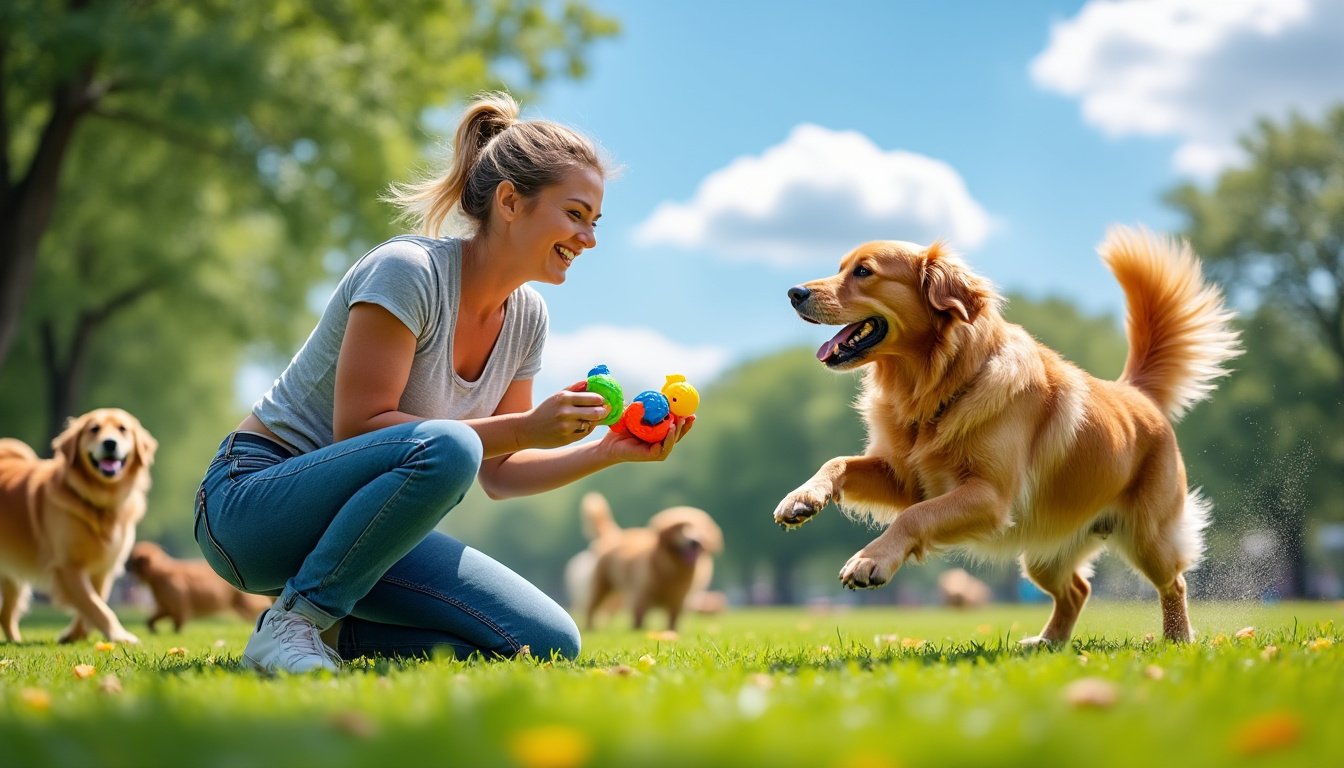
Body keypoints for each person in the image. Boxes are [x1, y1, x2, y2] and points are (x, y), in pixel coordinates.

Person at [193, 91, 693, 674]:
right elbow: (360, 426)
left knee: (547, 642)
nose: (590, 238)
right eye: (575, 214)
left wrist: (606, 451)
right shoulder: (409, 271)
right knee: (450, 445)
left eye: (595, 221)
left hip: (359, 535)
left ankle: (329, 639)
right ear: (511, 201)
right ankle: (296, 621)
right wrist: (525, 427)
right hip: (251, 505)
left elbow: (500, 474)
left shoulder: (527, 316)